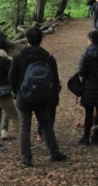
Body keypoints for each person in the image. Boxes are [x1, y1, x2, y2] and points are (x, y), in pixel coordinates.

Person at [8, 26, 67, 167]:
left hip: (24, 96)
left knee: (24, 127)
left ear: (27, 40)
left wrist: (17, 91)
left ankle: (26, 158)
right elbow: (55, 79)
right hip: (42, 96)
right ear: (41, 39)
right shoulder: (48, 58)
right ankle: (54, 152)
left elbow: (11, 79)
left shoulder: (18, 57)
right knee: (46, 125)